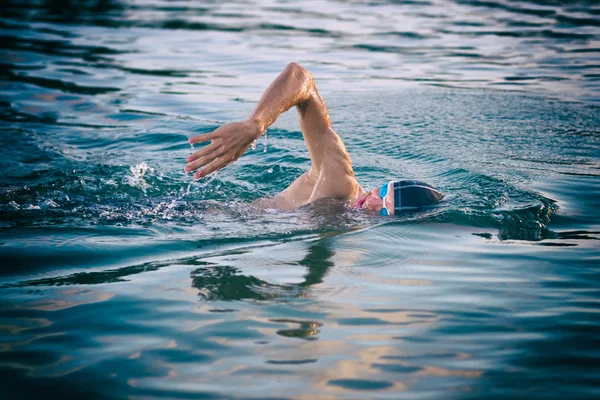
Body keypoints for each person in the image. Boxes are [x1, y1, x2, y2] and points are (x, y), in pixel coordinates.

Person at [185, 62, 443, 215]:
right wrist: (256, 124)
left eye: (386, 207)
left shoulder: (346, 225)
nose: (374, 201)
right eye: (384, 190)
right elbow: (300, 77)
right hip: (185, 217)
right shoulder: (339, 183)